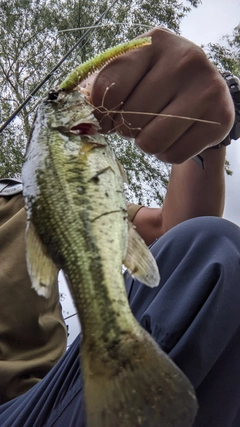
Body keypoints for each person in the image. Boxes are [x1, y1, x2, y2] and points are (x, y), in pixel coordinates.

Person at [0, 27, 240, 426]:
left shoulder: (33, 199)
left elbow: (176, 231)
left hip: (34, 411)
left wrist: (204, 128)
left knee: (214, 251)